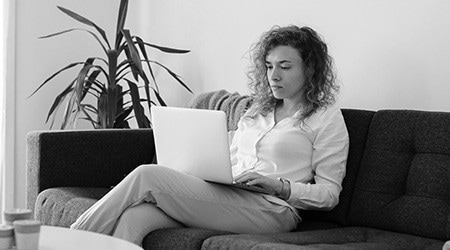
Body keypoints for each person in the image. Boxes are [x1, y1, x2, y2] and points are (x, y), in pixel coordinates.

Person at [70, 25, 349, 246]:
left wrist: (280, 187)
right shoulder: (256, 112)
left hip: (273, 210)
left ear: (310, 68)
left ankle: (69, 240)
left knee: (147, 175)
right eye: (268, 66)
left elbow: (329, 194)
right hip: (227, 195)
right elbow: (227, 157)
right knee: (134, 217)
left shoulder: (326, 118)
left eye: (285, 66)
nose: (273, 75)